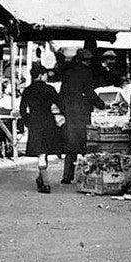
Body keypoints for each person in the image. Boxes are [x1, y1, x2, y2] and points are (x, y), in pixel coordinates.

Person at [56, 48, 105, 184]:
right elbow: (89, 92)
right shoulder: (87, 73)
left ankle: (67, 176)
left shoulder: (68, 72)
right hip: (82, 112)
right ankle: (85, 175)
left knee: (70, 145)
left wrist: (63, 109)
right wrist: (101, 104)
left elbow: (62, 92)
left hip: (69, 112)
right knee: (85, 144)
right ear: (86, 61)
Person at [19, 68, 63, 193]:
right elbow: (60, 104)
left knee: (41, 152)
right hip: (49, 123)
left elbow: (22, 110)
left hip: (35, 123)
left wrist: (28, 121)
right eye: (45, 74)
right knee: (44, 152)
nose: (47, 77)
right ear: (40, 75)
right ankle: (45, 183)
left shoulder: (28, 90)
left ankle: (42, 179)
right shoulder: (50, 89)